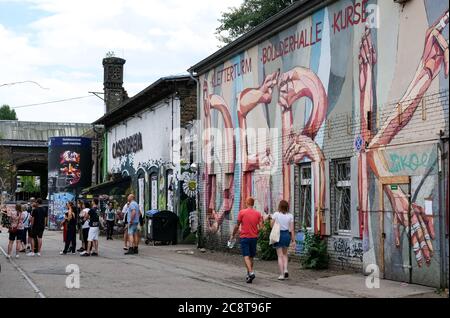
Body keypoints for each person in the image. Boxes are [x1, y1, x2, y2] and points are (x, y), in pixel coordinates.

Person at [230, 197, 263, 284]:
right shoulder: (258, 214)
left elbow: (237, 225)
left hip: (244, 237)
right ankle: (249, 275)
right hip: (254, 238)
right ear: (253, 204)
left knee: (246, 256)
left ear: (246, 203)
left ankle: (251, 272)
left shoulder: (242, 212)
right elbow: (261, 227)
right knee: (251, 257)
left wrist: (233, 235)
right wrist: (256, 231)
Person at [270, 200, 295, 280]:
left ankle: (281, 275)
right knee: (285, 254)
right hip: (287, 235)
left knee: (280, 256)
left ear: (280, 206)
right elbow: (292, 229)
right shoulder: (290, 216)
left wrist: (271, 219)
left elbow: (271, 225)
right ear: (287, 207)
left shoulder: (276, 214)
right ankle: (286, 269)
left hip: (278, 235)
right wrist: (293, 240)